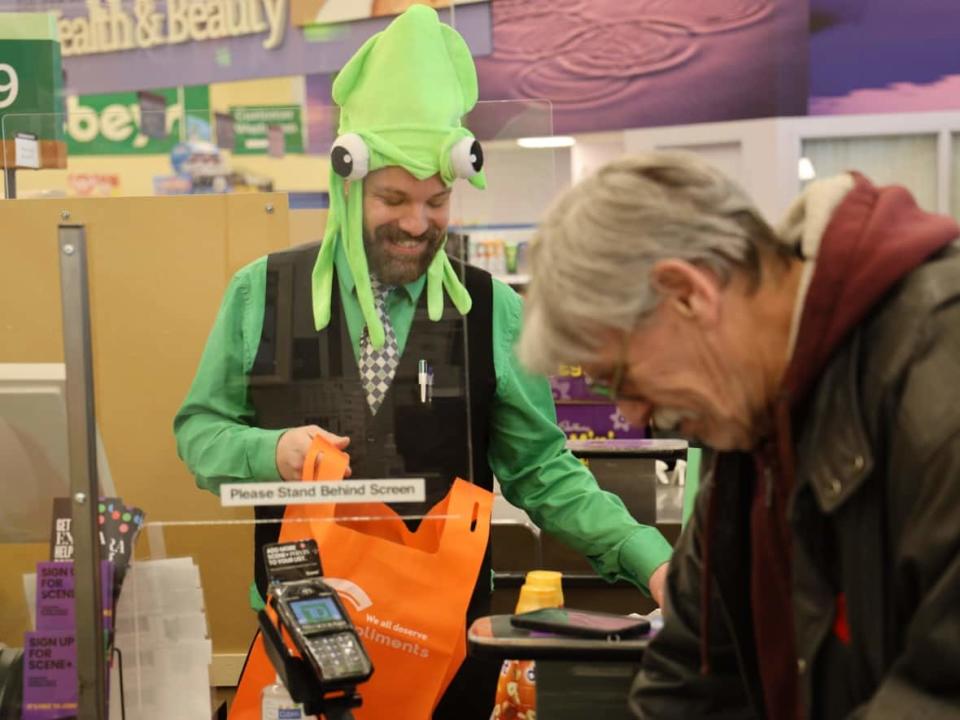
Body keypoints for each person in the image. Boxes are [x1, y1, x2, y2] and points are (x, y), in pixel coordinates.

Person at [173, 7, 670, 718]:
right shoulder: (263, 292)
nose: (416, 223)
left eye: (436, 201)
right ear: (348, 185)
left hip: (448, 652)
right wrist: (272, 451)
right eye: (394, 198)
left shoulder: (489, 308)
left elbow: (542, 471)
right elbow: (199, 433)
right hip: (303, 646)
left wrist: (648, 555)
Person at [518, 151, 960, 719]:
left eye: (620, 378)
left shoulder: (936, 372)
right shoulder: (750, 416)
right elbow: (690, 671)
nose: (632, 411)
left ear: (686, 293)